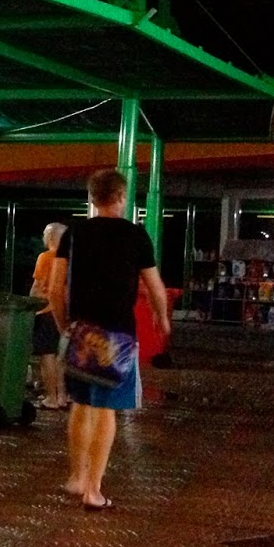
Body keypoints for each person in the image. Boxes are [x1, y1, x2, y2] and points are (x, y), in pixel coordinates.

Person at [48, 169, 170, 511]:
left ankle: (76, 477)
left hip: (81, 331)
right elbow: (155, 286)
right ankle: (94, 490)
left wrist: (64, 326)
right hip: (118, 335)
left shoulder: (74, 234)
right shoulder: (135, 235)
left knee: (80, 404)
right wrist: (161, 318)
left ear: (92, 198)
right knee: (106, 410)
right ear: (121, 197)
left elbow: (55, 288)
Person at [29, 222, 69, 409]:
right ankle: (63, 396)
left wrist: (30, 305)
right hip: (65, 311)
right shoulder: (69, 258)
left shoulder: (45, 257)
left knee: (47, 355)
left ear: (51, 237)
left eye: (45, 235)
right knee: (62, 356)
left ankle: (51, 397)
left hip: (46, 310)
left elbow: (38, 285)